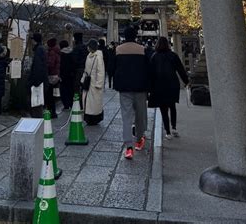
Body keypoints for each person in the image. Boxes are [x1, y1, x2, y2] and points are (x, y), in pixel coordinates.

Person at [113, 26, 149, 159]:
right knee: (140, 115)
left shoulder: (118, 50)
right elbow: (148, 69)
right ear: (135, 36)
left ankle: (129, 147)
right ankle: (139, 139)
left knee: (126, 117)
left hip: (124, 88)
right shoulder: (142, 50)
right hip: (140, 87)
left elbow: (113, 68)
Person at [149, 36, 189, 139]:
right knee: (172, 106)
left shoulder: (154, 56)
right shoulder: (173, 55)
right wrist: (186, 81)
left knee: (163, 109)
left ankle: (168, 132)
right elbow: (181, 69)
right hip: (172, 84)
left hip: (159, 85)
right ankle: (174, 127)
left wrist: (149, 87)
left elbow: (151, 73)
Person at [81, 39, 105, 125]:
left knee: (94, 102)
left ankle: (94, 118)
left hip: (94, 83)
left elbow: (100, 71)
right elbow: (86, 69)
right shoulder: (89, 55)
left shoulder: (98, 57)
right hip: (89, 81)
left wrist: (99, 83)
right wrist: (83, 79)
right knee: (88, 101)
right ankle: (88, 116)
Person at [28, 32, 48, 118]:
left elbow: (38, 67)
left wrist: (35, 81)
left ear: (34, 40)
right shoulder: (41, 49)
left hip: (38, 81)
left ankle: (37, 121)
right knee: (38, 102)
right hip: (41, 80)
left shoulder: (39, 50)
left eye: (32, 39)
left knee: (36, 102)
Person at [45, 38, 61, 118]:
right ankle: (53, 111)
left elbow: (50, 64)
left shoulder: (51, 52)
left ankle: (52, 112)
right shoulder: (57, 51)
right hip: (56, 75)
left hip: (51, 76)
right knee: (52, 95)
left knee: (49, 95)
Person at [59, 39, 75, 110]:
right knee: (71, 90)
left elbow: (60, 65)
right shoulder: (72, 52)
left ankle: (66, 105)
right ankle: (71, 104)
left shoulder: (61, 54)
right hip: (71, 75)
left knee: (63, 91)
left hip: (63, 75)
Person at [71, 32, 88, 99]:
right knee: (84, 86)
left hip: (78, 70)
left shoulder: (76, 48)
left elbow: (74, 60)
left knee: (76, 87)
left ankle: (77, 101)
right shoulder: (85, 47)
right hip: (85, 69)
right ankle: (84, 100)